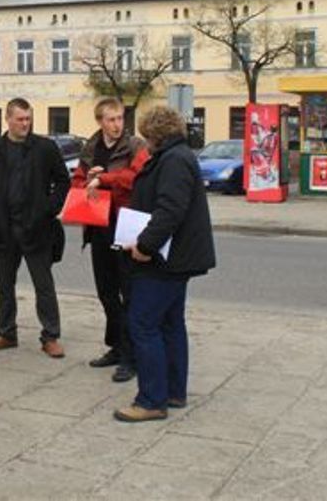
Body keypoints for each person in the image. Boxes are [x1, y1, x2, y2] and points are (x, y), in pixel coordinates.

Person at [114, 105, 216, 423]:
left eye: (146, 136)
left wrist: (144, 245)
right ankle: (173, 391)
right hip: (175, 258)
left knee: (143, 324)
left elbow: (169, 209)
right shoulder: (178, 156)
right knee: (171, 324)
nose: (144, 142)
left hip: (164, 260)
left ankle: (151, 400)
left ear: (155, 134)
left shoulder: (173, 160)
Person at [0, 98, 71, 358]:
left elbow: (63, 181)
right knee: (5, 285)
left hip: (37, 228)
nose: (25, 124)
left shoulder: (45, 148)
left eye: (28, 119)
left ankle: (50, 336)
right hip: (4, 229)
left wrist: (49, 209)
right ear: (8, 119)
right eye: (20, 119)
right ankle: (6, 333)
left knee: (44, 285)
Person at [70, 97, 149, 383]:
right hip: (97, 225)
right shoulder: (90, 148)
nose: (117, 125)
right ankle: (116, 347)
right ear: (100, 121)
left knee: (129, 292)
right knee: (106, 291)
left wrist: (105, 179)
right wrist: (86, 179)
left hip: (125, 225)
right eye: (111, 119)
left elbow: (136, 177)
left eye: (120, 119)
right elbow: (78, 180)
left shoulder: (135, 146)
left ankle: (131, 357)